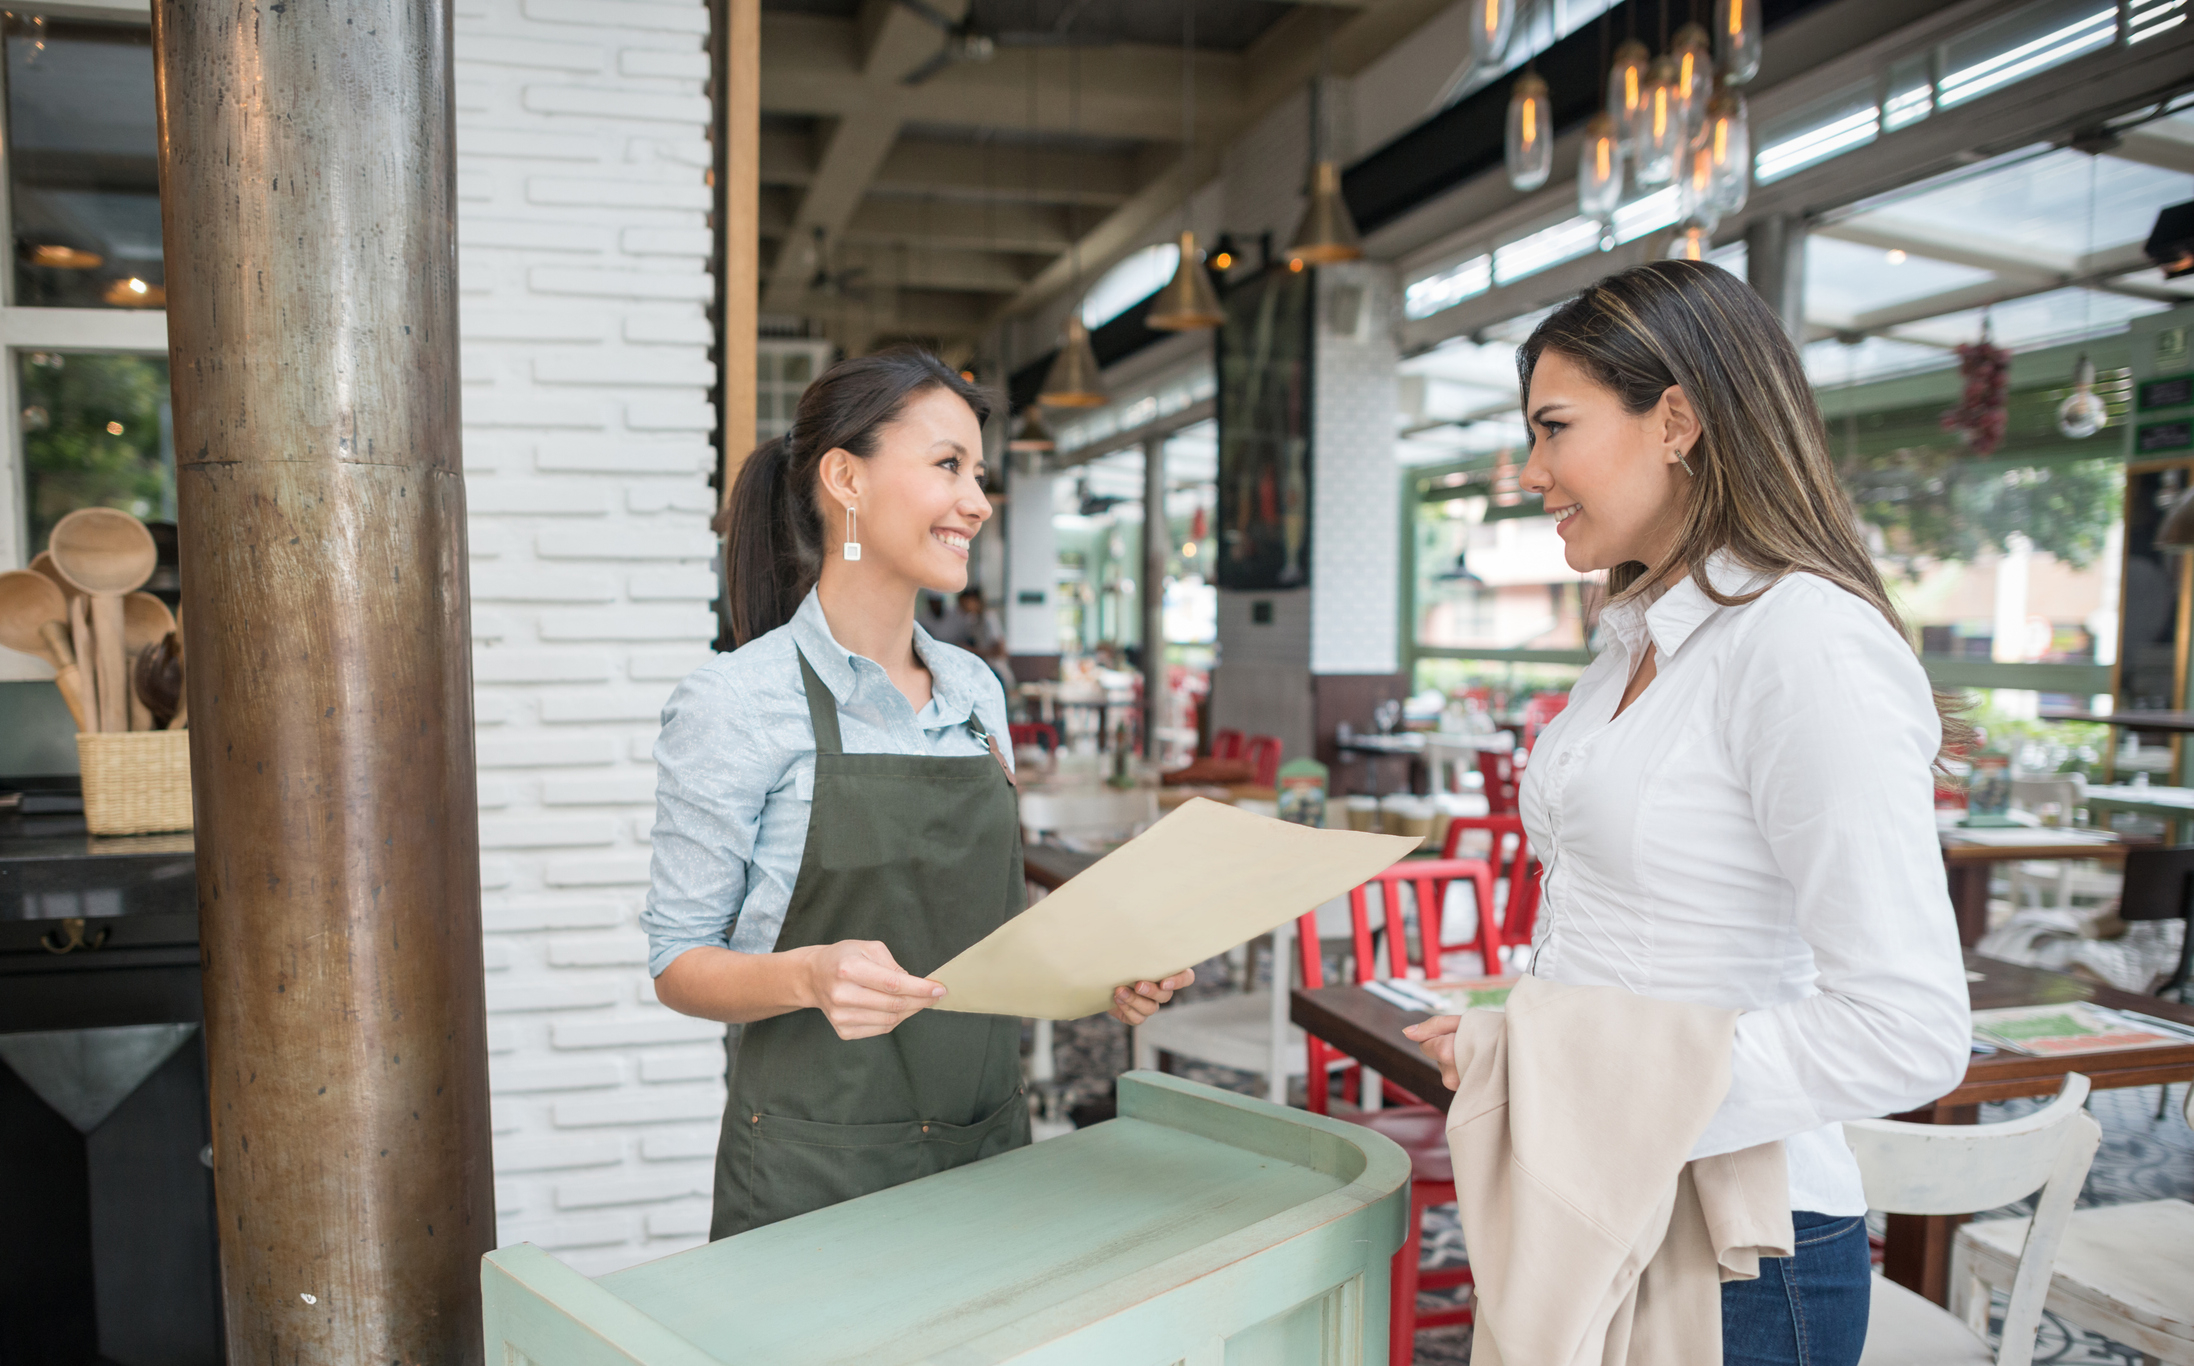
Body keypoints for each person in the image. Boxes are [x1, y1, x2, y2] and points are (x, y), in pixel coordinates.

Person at [1403, 261, 1971, 1366]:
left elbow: (1909, 1026)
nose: (1532, 471)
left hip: (1736, 1248)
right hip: (1607, 1198)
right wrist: (1531, 1053)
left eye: (1553, 428)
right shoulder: (1629, 645)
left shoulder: (1803, 641)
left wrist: (1564, 1080)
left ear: (1676, 419)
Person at [643, 349, 1192, 1239]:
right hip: (814, 1176)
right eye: (948, 466)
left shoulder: (977, 689)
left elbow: (978, 942)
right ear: (845, 478)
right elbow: (678, 964)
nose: (977, 501)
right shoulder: (736, 701)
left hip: (987, 1153)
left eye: (979, 474)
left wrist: (1105, 974)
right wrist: (808, 974)